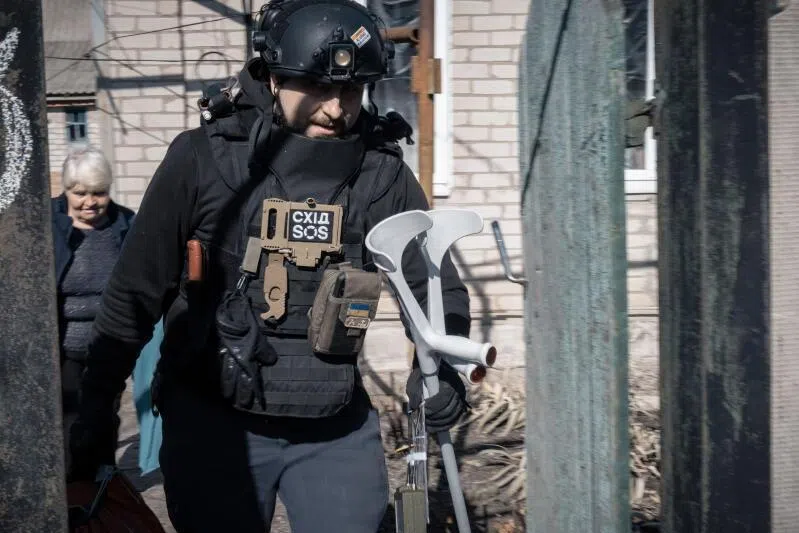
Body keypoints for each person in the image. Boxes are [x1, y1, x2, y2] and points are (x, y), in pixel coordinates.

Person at [69, 1, 471, 532]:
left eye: (351, 90)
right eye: (318, 87)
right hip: (216, 425)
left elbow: (435, 288)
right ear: (274, 78)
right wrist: (96, 409)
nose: (335, 108)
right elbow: (133, 295)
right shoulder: (202, 159)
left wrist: (445, 372)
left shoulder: (382, 176)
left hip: (333, 424)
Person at [51, 145, 135, 476]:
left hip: (109, 342)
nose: (90, 202)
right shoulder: (48, 225)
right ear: (67, 190)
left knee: (105, 414)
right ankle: (70, 485)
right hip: (63, 345)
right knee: (69, 417)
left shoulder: (126, 224)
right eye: (80, 193)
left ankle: (103, 486)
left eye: (99, 193)